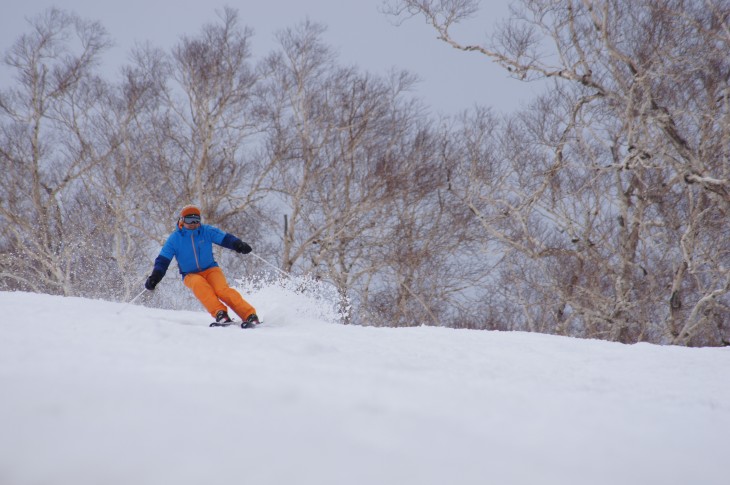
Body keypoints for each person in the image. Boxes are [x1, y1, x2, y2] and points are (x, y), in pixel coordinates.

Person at [144, 204, 259, 327]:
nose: (193, 224)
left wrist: (238, 245)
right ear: (182, 220)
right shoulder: (174, 239)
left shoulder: (206, 231)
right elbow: (163, 260)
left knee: (222, 291)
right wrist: (155, 277)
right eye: (189, 220)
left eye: (196, 220)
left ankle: (249, 315)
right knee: (199, 285)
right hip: (190, 274)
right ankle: (220, 313)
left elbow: (224, 238)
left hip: (211, 269)